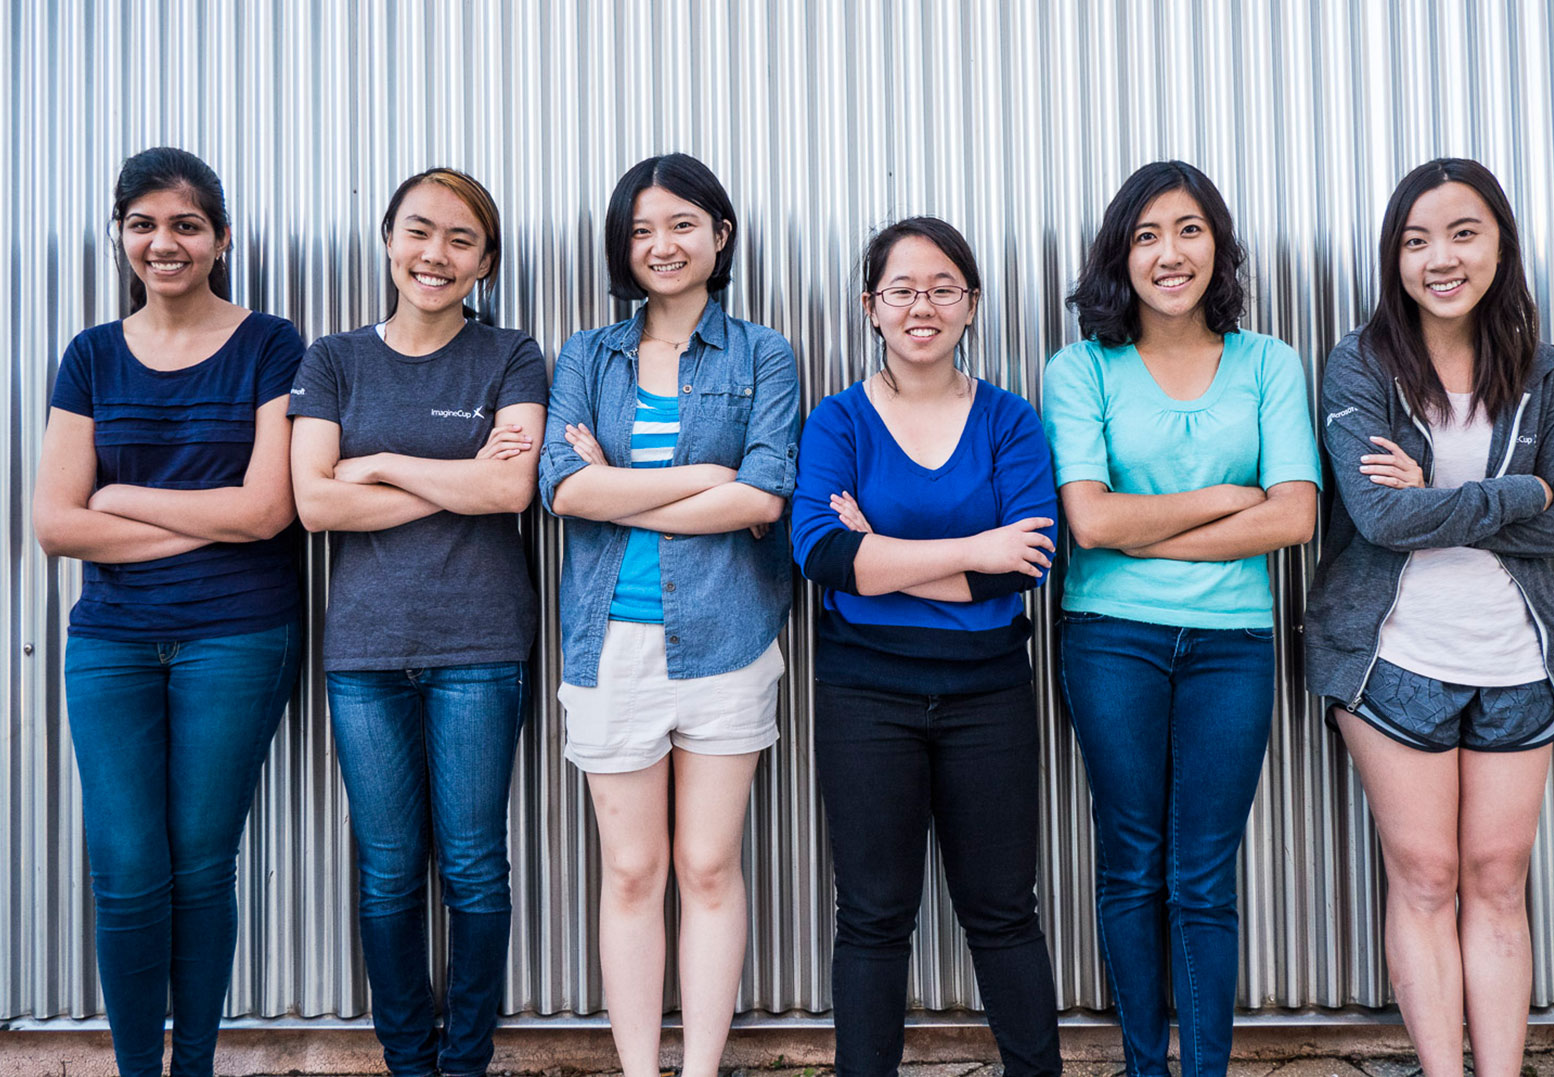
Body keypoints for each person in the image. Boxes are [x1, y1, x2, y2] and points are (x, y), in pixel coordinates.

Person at [1304, 158, 1554, 1077]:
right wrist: (1518, 491)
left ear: (1498, 241)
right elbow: (1383, 517)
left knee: (1498, 880)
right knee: (1425, 877)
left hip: (1517, 657)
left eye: (1462, 233)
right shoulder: (1360, 364)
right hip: (1392, 655)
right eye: (1415, 239)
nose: (1439, 257)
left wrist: (1446, 495)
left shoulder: (1542, 372)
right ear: (1393, 256)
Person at [1042, 161, 1319, 1077]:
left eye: (1189, 229)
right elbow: (1088, 520)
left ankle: (1201, 1068)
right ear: (1122, 252)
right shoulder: (1079, 368)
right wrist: (1222, 499)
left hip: (1231, 645)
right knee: (1131, 861)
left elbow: (1292, 516)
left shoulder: (1268, 362)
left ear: (1218, 245)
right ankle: (1140, 1066)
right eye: (1149, 233)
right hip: (1108, 639)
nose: (1170, 253)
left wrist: (1141, 530)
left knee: (1202, 874)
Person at [32, 146, 304, 1077]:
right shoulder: (92, 355)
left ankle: (193, 1066)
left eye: (186, 224)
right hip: (109, 642)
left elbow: (270, 510)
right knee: (126, 869)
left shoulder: (271, 343)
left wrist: (122, 501)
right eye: (144, 223)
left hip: (237, 634)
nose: (164, 242)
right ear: (121, 237)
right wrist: (208, 519)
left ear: (221, 240)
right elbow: (55, 524)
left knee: (198, 861)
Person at [537, 152, 799, 1077]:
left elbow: (765, 497)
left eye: (682, 224)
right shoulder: (587, 354)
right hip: (609, 646)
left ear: (718, 235)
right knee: (633, 872)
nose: (662, 245)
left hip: (727, 640)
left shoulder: (763, 353)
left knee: (707, 868)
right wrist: (701, 478)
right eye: (642, 229)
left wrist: (619, 484)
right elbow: (560, 490)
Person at [287, 167, 546, 1077]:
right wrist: (453, 479)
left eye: (460, 239)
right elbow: (313, 504)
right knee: (388, 867)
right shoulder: (332, 359)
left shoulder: (511, 355)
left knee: (474, 864)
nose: (435, 254)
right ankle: (408, 1058)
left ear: (485, 260)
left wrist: (379, 462)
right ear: (389, 238)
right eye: (419, 231)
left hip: (480, 645)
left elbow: (509, 488)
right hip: (364, 650)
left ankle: (465, 1061)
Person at [791, 216, 1062, 1077]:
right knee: (872, 914)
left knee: (1001, 909)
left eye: (943, 287)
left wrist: (888, 560)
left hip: (988, 694)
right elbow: (821, 555)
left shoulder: (1008, 420)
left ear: (971, 303)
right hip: (863, 695)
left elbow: (1024, 562)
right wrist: (967, 549)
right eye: (901, 289)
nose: (922, 305)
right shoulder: (836, 420)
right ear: (871, 307)